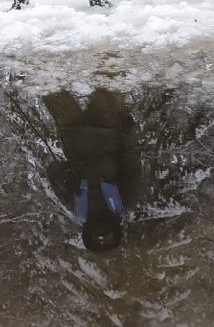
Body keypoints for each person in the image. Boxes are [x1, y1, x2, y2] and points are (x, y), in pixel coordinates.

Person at [42, 88, 142, 252]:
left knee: (47, 83)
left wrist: (62, 176)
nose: (100, 230)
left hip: (71, 132)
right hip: (107, 130)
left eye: (96, 234)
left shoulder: (76, 208)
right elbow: (131, 164)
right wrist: (129, 133)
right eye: (105, 233)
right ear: (115, 231)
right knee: (109, 79)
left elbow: (53, 173)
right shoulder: (125, 202)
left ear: (87, 233)